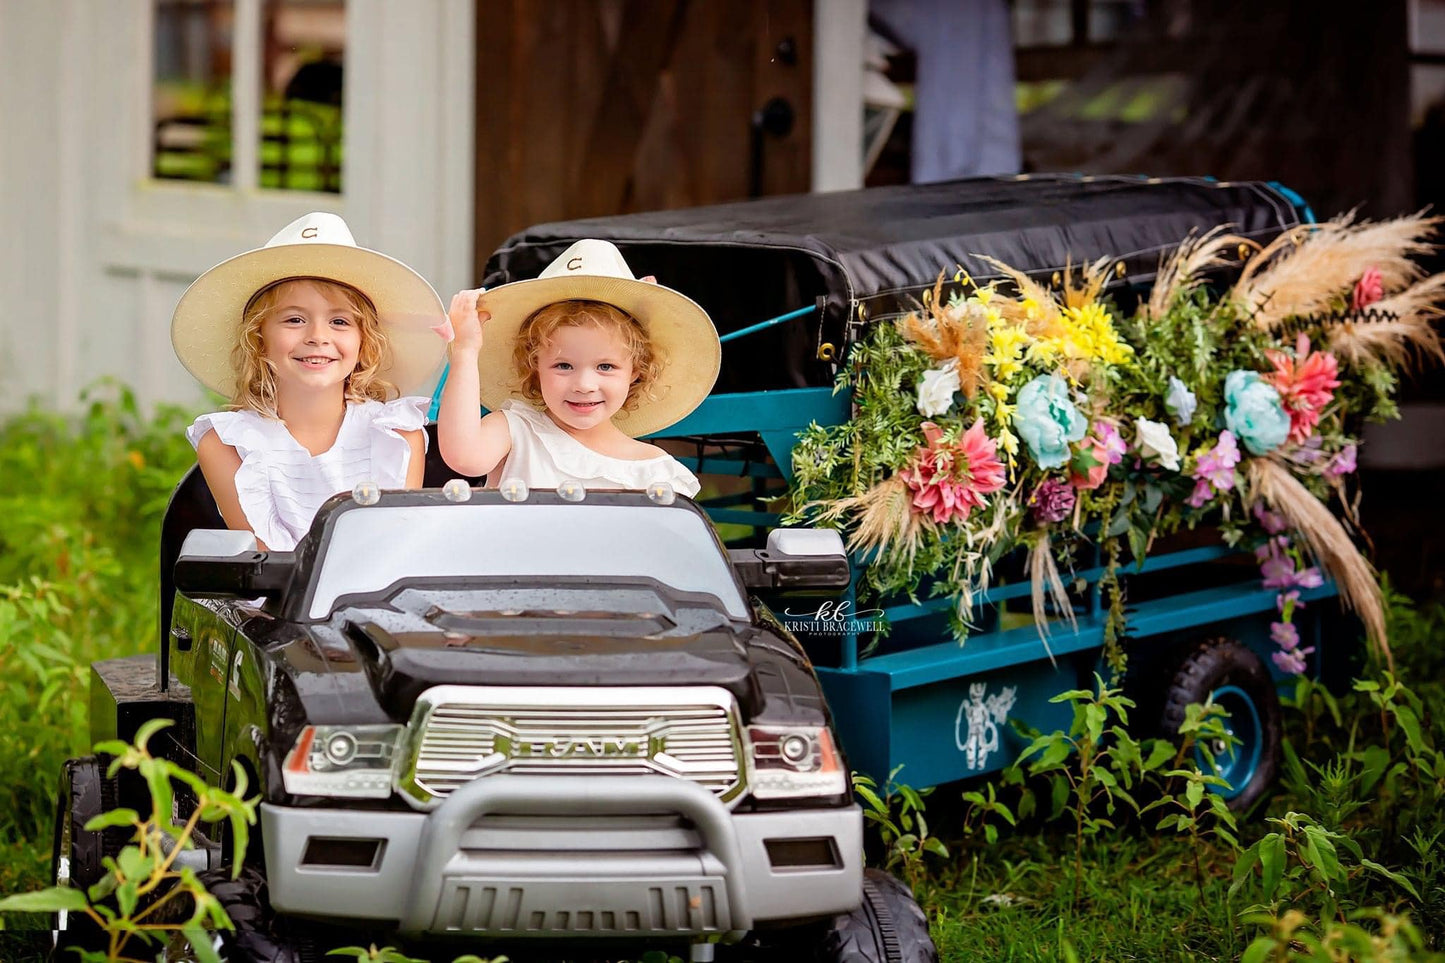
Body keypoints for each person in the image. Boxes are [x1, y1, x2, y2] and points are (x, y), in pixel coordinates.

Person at [170, 212, 447, 550]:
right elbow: (267, 566)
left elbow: (393, 551)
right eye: (295, 319)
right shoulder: (229, 444)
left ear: (365, 341)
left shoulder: (396, 433)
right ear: (259, 339)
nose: (318, 336)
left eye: (340, 322)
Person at [437, 239, 719, 498]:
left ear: (636, 371)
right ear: (536, 366)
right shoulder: (516, 431)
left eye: (606, 366)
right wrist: (465, 351)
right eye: (563, 365)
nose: (584, 384)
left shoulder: (655, 473)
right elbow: (463, 456)